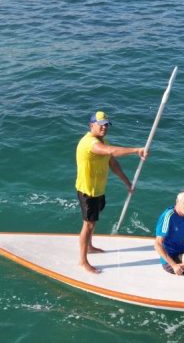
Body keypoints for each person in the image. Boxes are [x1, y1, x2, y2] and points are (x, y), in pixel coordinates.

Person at [76, 110, 148, 274]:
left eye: (106, 125)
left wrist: (127, 183)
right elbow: (111, 151)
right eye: (101, 125)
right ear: (91, 125)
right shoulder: (90, 143)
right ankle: (82, 260)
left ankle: (89, 246)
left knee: (93, 222)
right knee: (88, 224)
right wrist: (136, 150)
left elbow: (113, 163)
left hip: (98, 190)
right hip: (88, 191)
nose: (104, 128)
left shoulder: (103, 140)